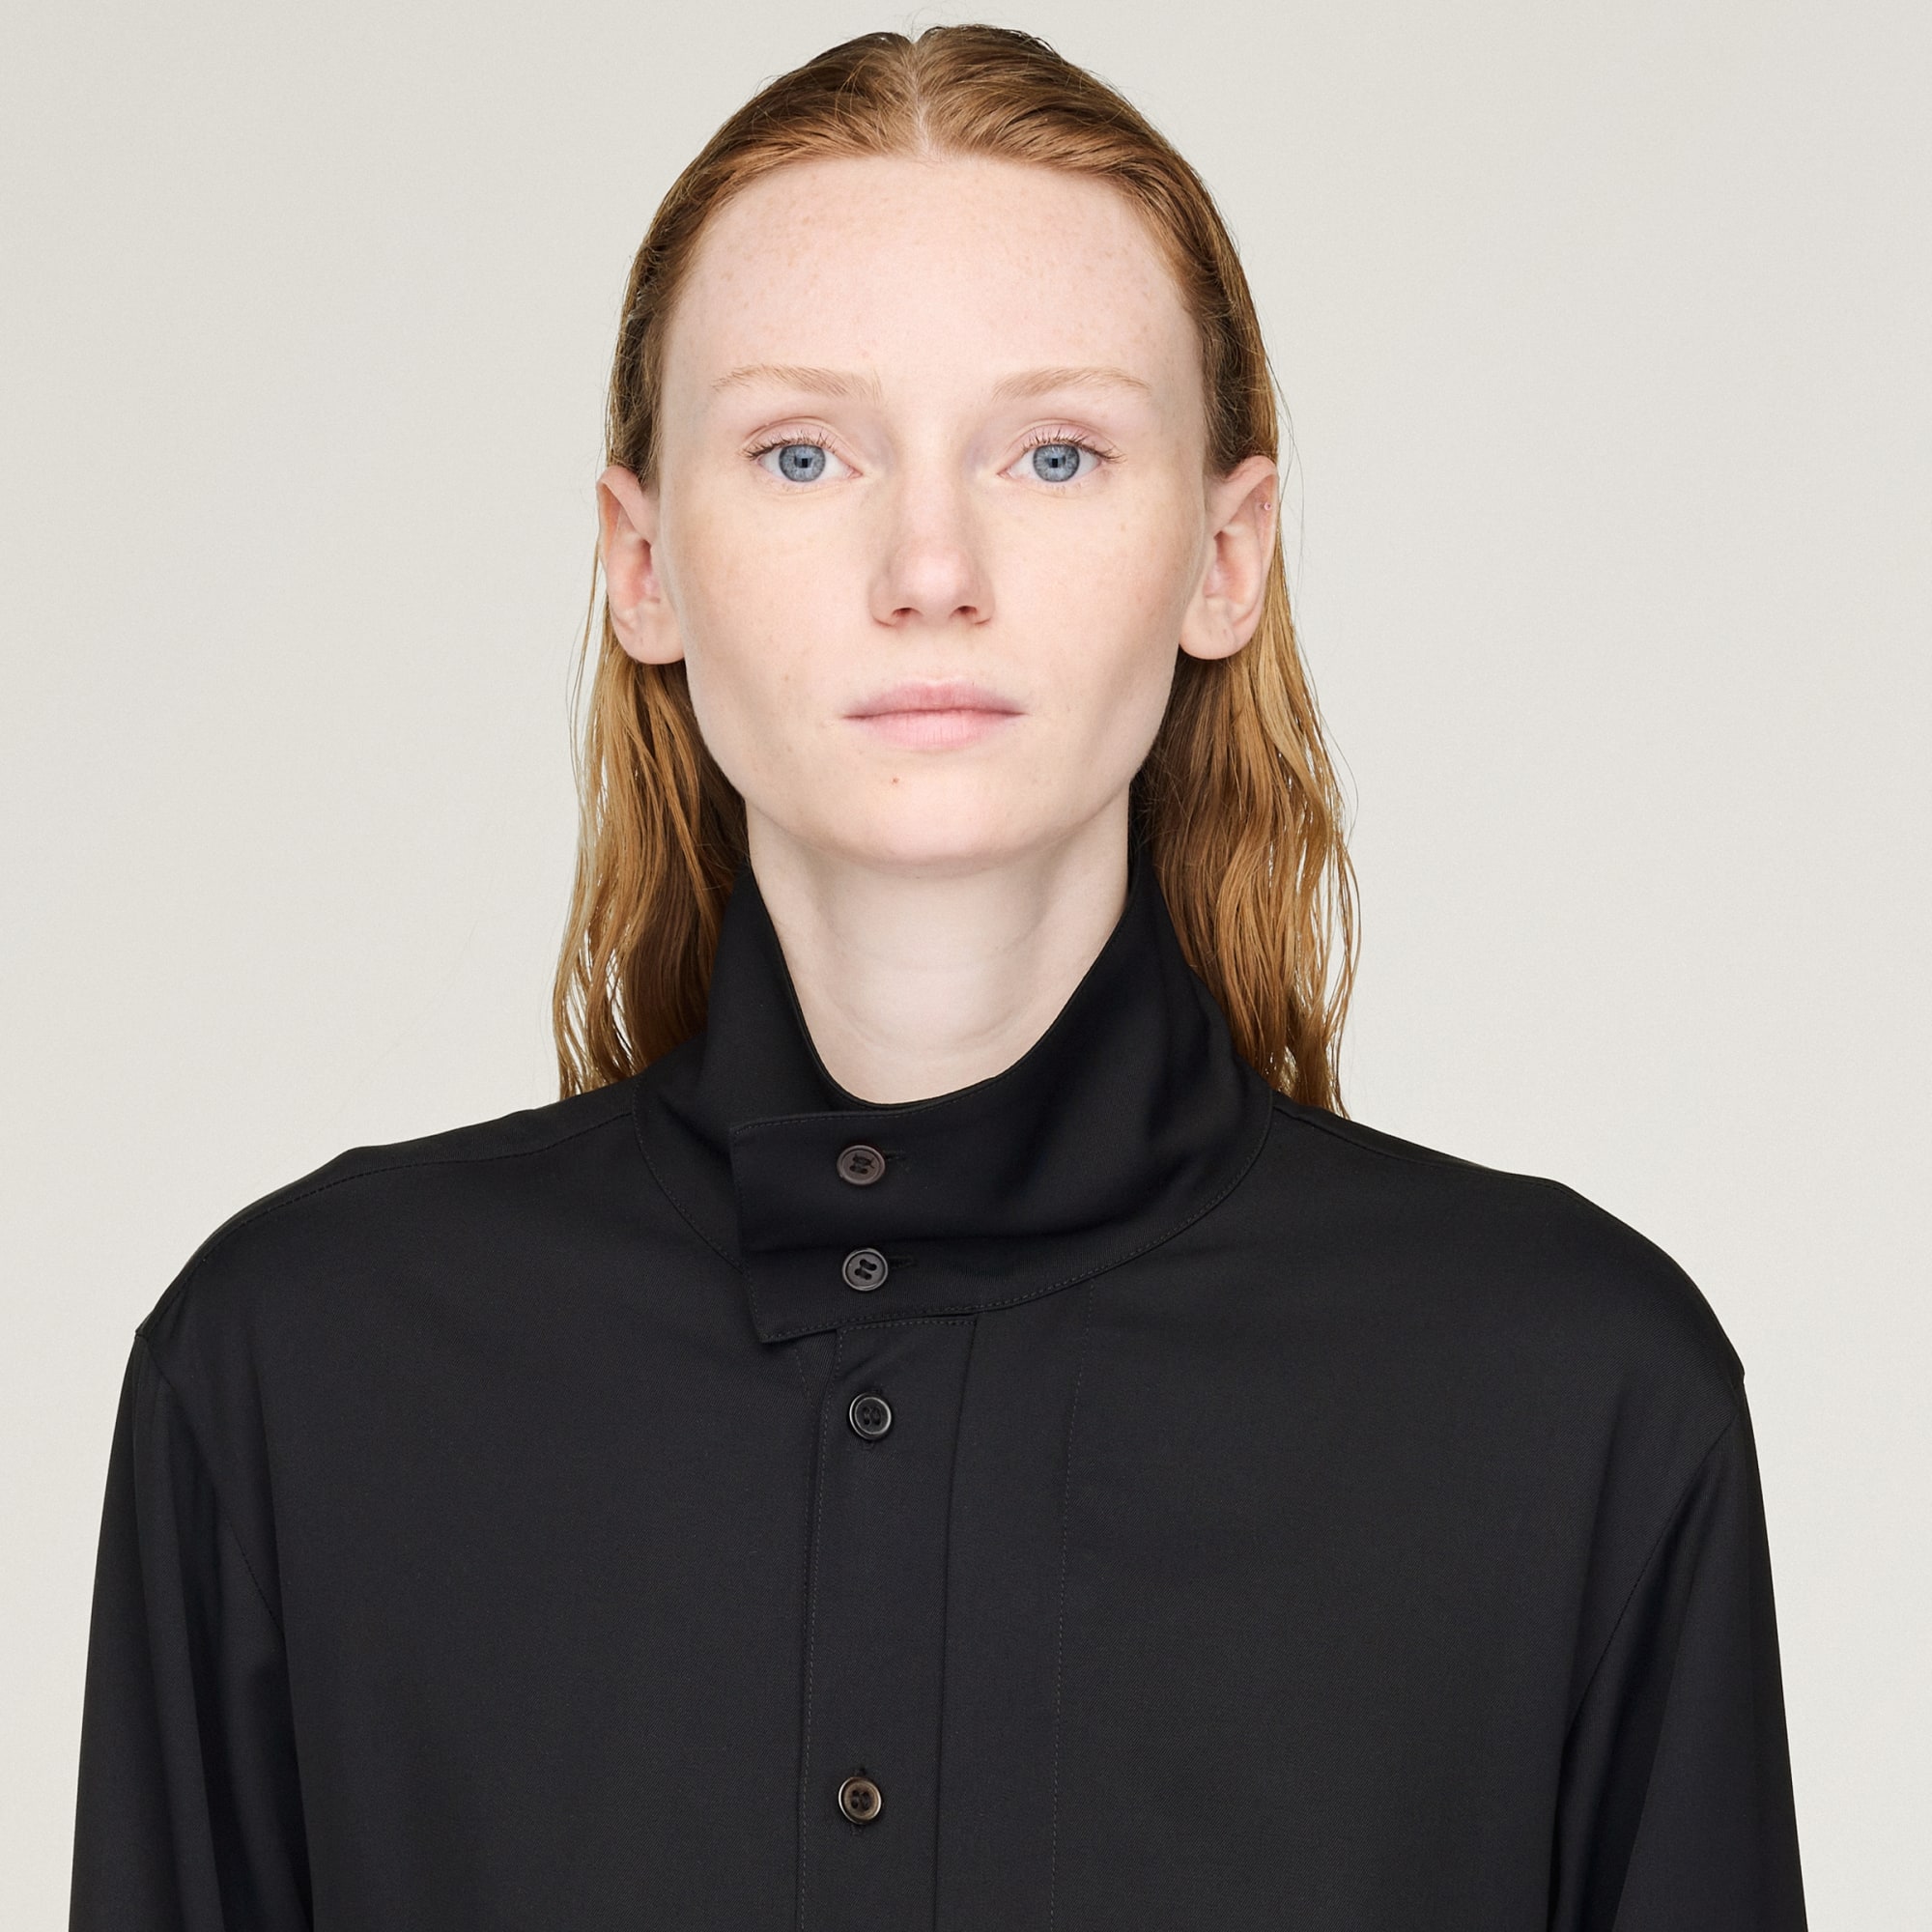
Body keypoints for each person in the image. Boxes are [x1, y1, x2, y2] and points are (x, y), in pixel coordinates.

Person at [68, 24, 1806, 1931]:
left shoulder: (1572, 1402)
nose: (928, 566)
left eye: (1054, 453)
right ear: (642, 562)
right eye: (802, 452)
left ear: (1224, 555)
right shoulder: (298, 1380)